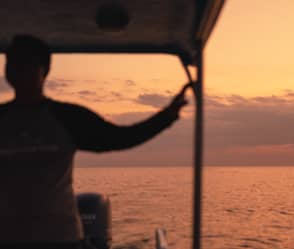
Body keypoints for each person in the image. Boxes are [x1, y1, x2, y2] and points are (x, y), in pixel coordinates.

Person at [0, 35, 191, 248]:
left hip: (60, 239)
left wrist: (167, 116)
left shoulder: (67, 117)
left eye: (26, 62)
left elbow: (121, 138)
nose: (17, 68)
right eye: (12, 62)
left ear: (44, 70)